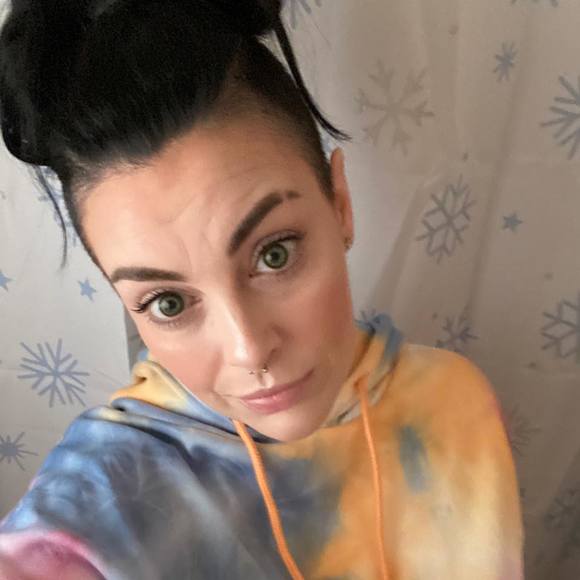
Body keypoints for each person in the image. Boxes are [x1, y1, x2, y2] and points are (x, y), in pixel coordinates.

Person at [0, 1, 524, 578]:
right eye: (168, 303)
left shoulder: (453, 403)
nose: (249, 349)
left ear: (340, 205)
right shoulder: (103, 505)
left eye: (275, 254)